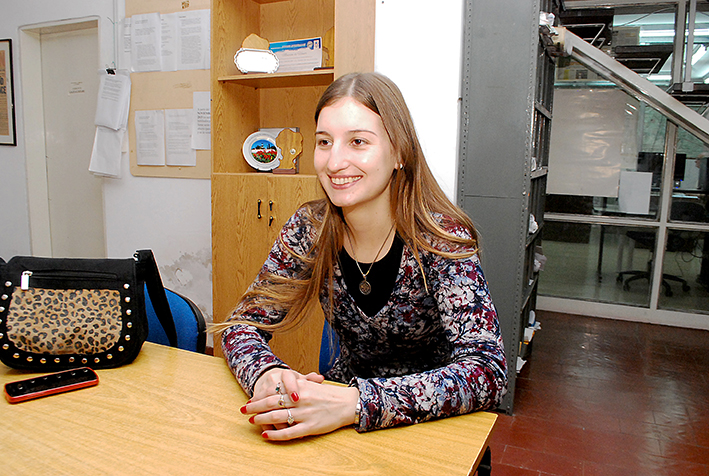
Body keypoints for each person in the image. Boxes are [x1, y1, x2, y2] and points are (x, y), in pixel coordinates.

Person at [218, 72, 507, 441]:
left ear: (399, 152)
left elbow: (487, 371)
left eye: (358, 141)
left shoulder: (441, 239)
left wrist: (355, 404)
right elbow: (240, 325)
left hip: (436, 428)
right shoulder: (310, 227)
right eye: (324, 142)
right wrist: (265, 374)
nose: (335, 162)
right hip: (339, 422)